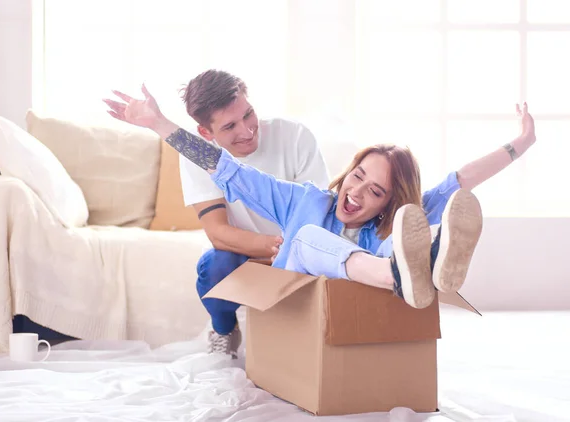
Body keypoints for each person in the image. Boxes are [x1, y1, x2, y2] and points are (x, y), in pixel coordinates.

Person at [105, 86, 537, 358]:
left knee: (405, 229)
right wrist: (160, 125)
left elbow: (459, 182)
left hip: (364, 293)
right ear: (347, 171)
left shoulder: (388, 225)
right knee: (312, 237)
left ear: (386, 201)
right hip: (298, 296)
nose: (358, 193)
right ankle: (401, 276)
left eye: (376, 192)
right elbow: (226, 168)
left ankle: (425, 265)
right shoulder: (304, 202)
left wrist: (521, 143)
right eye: (358, 176)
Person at [105, 70, 330, 355]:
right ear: (206, 134)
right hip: (254, 250)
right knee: (214, 265)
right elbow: (217, 233)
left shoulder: (294, 136)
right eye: (230, 126)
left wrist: (292, 249)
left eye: (249, 115)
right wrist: (157, 123)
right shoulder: (207, 160)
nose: (247, 131)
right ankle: (224, 329)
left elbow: (316, 215)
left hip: (301, 248)